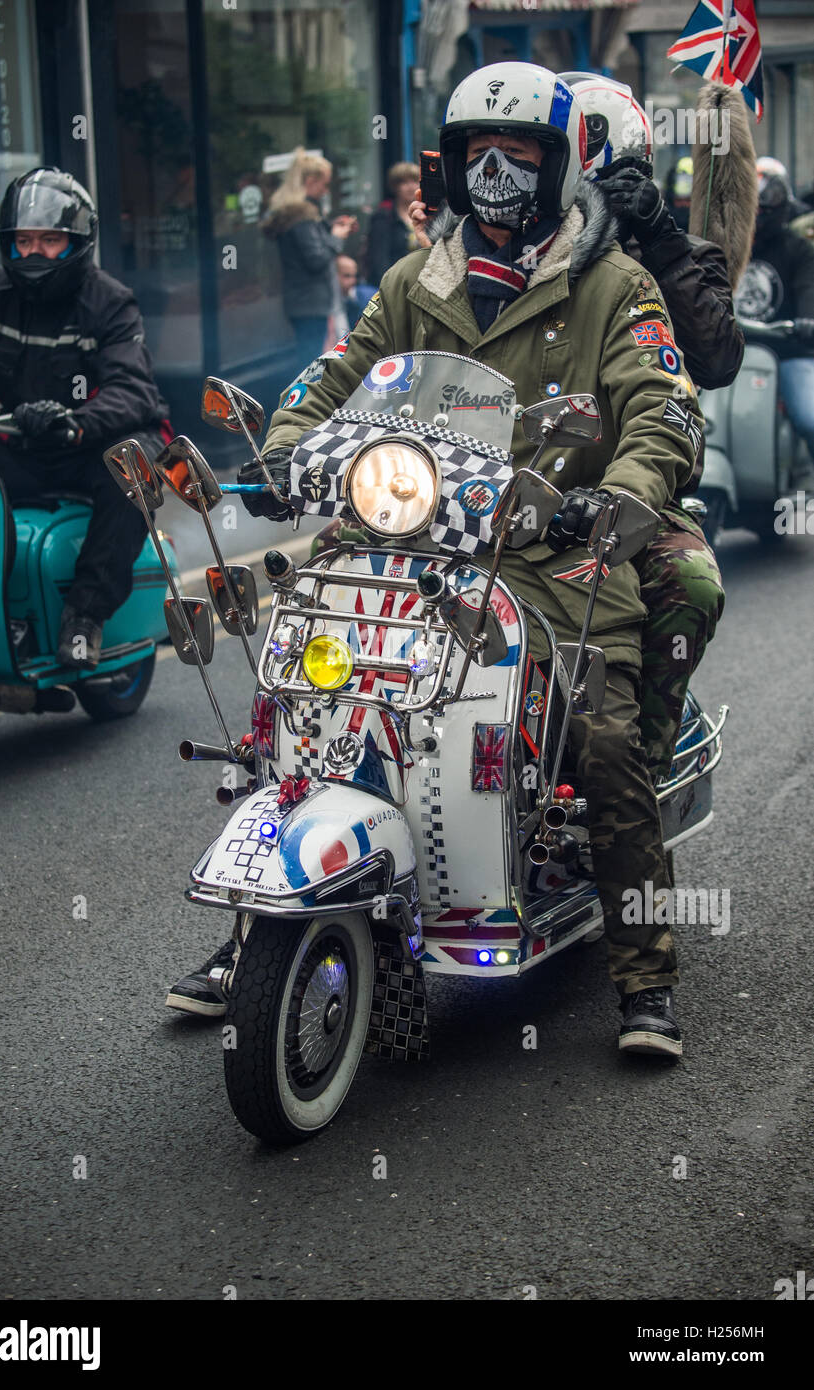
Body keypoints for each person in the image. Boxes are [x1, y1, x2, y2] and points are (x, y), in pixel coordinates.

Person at [169, 63, 706, 1061]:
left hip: (552, 553)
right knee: (299, 692)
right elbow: (335, 379)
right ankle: (260, 921)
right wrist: (286, 450)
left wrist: (618, 493)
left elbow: (664, 409)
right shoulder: (417, 282)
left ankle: (645, 977)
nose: (496, 175)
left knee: (602, 735)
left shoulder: (614, 285)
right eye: (476, 155)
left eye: (521, 155)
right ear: (452, 167)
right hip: (408, 540)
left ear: (559, 167)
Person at [556, 74, 739, 785]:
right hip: (505, 475)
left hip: (630, 482)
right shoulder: (512, 252)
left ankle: (638, 771)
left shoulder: (676, 253)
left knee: (687, 584)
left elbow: (716, 357)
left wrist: (658, 236)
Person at [0, 166, 171, 669]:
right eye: (23, 240)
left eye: (49, 240)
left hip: (99, 440)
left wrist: (75, 420)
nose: (33, 252)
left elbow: (132, 391)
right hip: (22, 440)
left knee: (130, 472)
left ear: (78, 243)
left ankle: (84, 616)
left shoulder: (109, 302)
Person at [735, 158, 814, 491]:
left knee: (810, 418)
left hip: (789, 352)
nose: (760, 212)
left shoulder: (798, 249)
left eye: (767, 204)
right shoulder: (729, 245)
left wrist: (807, 323)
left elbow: (808, 291)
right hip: (734, 354)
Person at [262, 148, 358, 371]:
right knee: (310, 363)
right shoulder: (301, 217)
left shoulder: (299, 214)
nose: (325, 191)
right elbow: (316, 258)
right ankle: (303, 404)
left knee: (312, 357)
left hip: (305, 301)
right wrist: (336, 237)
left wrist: (331, 226)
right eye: (324, 185)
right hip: (310, 303)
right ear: (311, 181)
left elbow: (311, 244)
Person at [366, 161, 422, 285]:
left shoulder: (429, 214)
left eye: (414, 181)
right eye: (404, 182)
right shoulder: (383, 217)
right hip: (394, 285)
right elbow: (379, 260)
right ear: (395, 187)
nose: (411, 187)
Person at [334, 254, 377, 330]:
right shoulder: (329, 303)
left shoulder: (366, 298)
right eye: (346, 276)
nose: (353, 281)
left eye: (354, 276)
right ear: (334, 275)